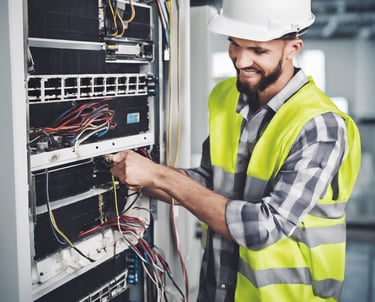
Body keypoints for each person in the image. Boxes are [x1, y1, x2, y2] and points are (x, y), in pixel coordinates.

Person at [107, 0, 362, 301]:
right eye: (234, 45)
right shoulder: (226, 96)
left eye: (258, 50)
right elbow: (207, 183)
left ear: (293, 48)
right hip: (216, 290)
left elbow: (265, 227)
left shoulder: (319, 126)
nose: (241, 61)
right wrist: (137, 175)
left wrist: (160, 176)